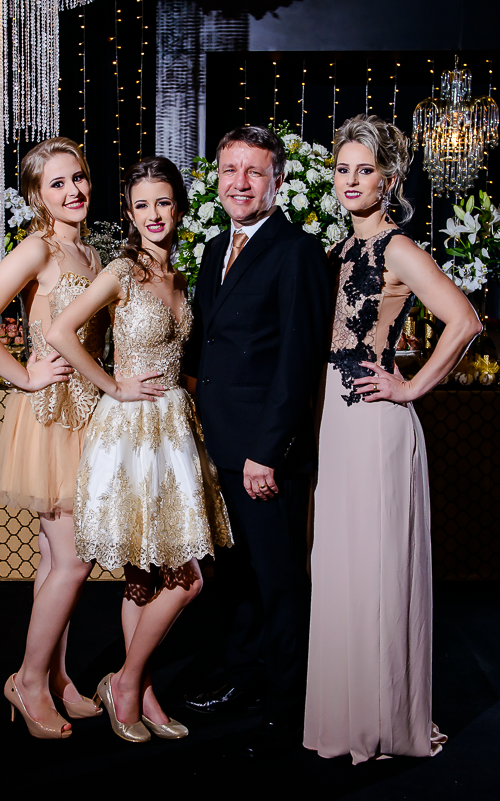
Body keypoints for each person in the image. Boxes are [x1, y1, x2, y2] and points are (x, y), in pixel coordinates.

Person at [304, 114, 481, 762]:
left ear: (390, 178)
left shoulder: (397, 247)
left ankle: (383, 721)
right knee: (338, 568)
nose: (351, 180)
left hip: (373, 419)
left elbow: (464, 320)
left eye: (365, 169)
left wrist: (411, 389)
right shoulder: (335, 250)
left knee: (376, 571)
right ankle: (347, 716)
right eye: (343, 169)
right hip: (330, 419)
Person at [47, 156, 232, 743]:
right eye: (142, 204)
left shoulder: (180, 276)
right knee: (182, 578)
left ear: (179, 207)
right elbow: (59, 332)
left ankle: (137, 688)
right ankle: (127, 685)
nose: (154, 214)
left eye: (164, 202)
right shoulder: (122, 271)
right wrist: (111, 385)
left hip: (175, 429)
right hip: (130, 431)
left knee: (150, 576)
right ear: (129, 213)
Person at [181, 126, 333, 758]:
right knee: (238, 576)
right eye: (230, 170)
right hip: (218, 444)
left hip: (265, 454)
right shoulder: (215, 247)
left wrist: (267, 452)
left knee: (279, 579)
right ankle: (241, 677)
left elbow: (298, 362)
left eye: (254, 171)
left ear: (277, 181)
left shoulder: (298, 250)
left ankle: (288, 700)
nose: (239, 182)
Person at [0, 137, 107, 740]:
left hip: (89, 412)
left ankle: (57, 677)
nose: (73, 191)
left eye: (79, 177)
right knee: (74, 558)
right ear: (37, 197)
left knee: (53, 558)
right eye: (57, 183)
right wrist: (23, 375)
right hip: (51, 413)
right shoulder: (38, 247)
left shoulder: (90, 253)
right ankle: (28, 680)